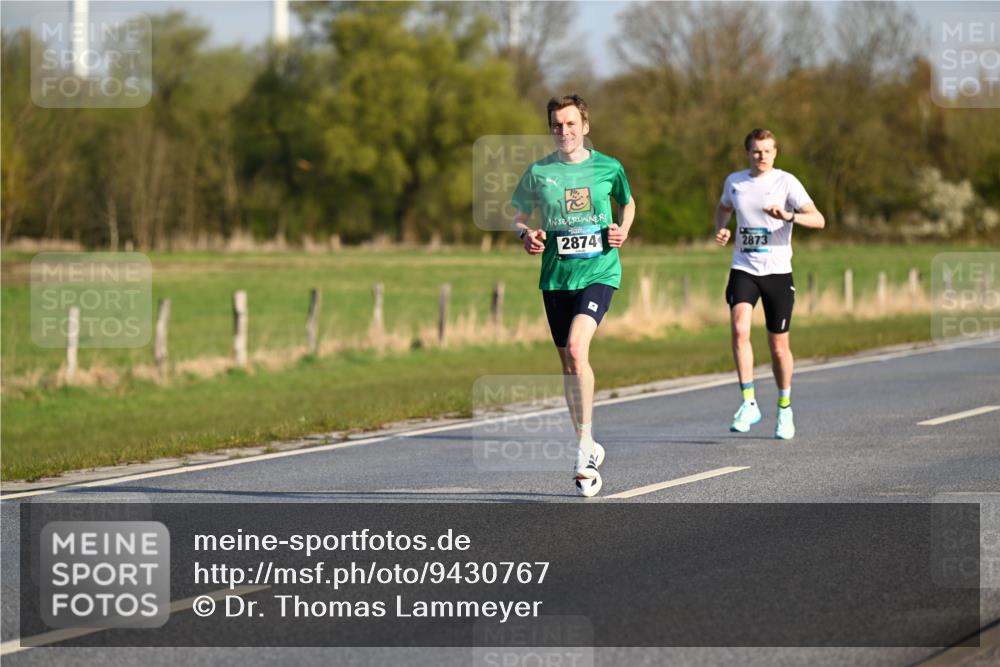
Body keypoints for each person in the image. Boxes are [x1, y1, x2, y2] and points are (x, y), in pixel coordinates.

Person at [511, 94, 636, 495]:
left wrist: (623, 229)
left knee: (578, 349)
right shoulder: (538, 172)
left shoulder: (608, 167)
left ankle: (583, 448)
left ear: (585, 126)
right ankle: (588, 438)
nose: (563, 131)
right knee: (568, 363)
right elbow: (517, 216)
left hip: (599, 271)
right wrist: (526, 235)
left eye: (570, 124)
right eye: (556, 125)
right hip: (556, 278)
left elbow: (628, 204)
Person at [713, 128, 825, 440]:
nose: (761, 156)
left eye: (767, 151)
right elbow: (723, 208)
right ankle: (748, 401)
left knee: (778, 346)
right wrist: (722, 229)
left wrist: (788, 216)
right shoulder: (735, 182)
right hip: (743, 268)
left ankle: (784, 406)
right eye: (756, 151)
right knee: (739, 329)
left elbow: (819, 219)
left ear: (775, 153)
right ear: (747, 152)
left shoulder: (786, 182)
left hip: (777, 272)